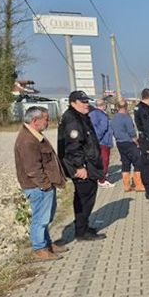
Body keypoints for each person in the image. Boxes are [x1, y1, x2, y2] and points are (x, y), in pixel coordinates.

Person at [14, 106, 68, 260]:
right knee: (40, 219)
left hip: (43, 186)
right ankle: (40, 249)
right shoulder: (27, 140)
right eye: (46, 119)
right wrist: (46, 185)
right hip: (38, 187)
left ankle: (47, 244)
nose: (48, 122)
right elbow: (33, 169)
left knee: (46, 217)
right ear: (35, 121)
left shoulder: (35, 135)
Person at [58, 90, 106, 241]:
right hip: (82, 167)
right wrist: (80, 166)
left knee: (87, 198)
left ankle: (83, 226)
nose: (87, 104)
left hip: (88, 164)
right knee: (84, 199)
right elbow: (73, 146)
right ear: (73, 103)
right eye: (83, 102)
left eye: (87, 101)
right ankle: (81, 232)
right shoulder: (72, 119)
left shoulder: (80, 116)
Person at [111, 99, 144, 193]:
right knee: (137, 163)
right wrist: (137, 142)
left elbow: (113, 130)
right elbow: (131, 132)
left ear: (117, 107)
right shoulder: (126, 117)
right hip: (129, 142)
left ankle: (126, 186)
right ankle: (138, 185)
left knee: (125, 163)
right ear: (126, 107)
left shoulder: (114, 117)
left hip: (119, 143)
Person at [89, 99, 114, 188]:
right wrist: (98, 138)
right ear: (104, 105)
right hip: (103, 141)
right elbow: (102, 128)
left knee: (100, 160)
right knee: (104, 160)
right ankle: (102, 180)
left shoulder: (93, 114)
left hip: (101, 141)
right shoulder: (100, 114)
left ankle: (100, 177)